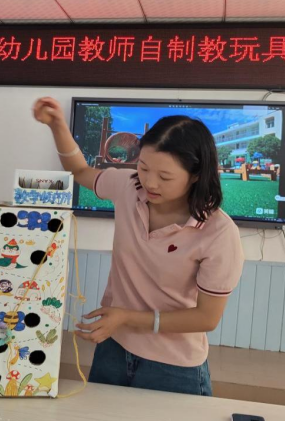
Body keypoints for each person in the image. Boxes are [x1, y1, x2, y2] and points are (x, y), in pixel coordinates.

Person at [32, 97, 244, 396]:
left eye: (165, 176)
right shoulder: (128, 187)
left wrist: (127, 317)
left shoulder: (219, 232)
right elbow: (79, 170)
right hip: (113, 346)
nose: (150, 183)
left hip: (174, 365)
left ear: (196, 175)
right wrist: (57, 125)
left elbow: (206, 318)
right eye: (143, 168)